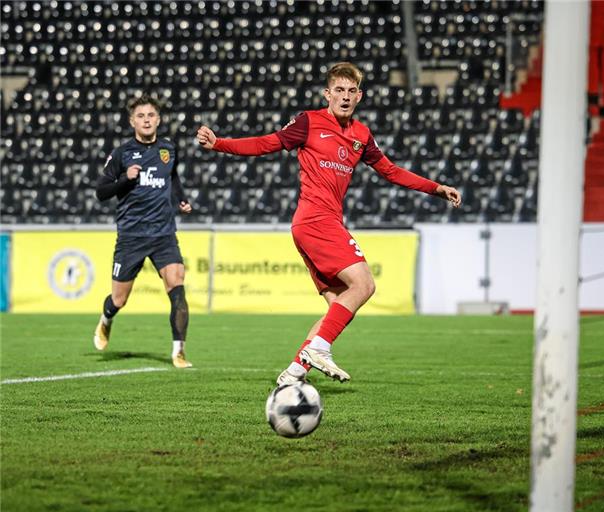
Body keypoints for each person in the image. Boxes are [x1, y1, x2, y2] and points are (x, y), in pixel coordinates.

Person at [196, 62, 462, 385]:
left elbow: (391, 171)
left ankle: (292, 375)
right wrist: (220, 143)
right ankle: (320, 348)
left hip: (319, 224)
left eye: (352, 91)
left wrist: (436, 188)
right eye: (339, 90)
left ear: (360, 96)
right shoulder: (309, 122)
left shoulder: (361, 135)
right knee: (364, 284)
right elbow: (267, 143)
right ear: (327, 93)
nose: (345, 96)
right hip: (314, 220)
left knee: (336, 308)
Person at [93, 94, 194, 369]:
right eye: (141, 116)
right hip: (131, 236)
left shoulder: (169, 149)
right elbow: (101, 191)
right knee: (119, 299)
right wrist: (125, 178)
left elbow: (172, 178)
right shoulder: (122, 153)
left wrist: (180, 199)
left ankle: (179, 352)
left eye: (151, 115)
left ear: (158, 120)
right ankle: (106, 320)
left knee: (177, 286)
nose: (146, 120)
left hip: (164, 234)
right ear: (132, 121)